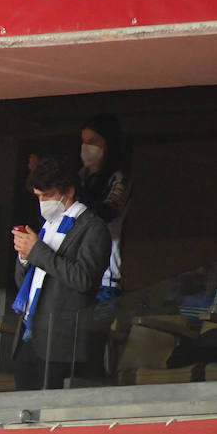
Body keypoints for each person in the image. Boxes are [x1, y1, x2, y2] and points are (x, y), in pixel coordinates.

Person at [10, 155, 111, 390]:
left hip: (60, 341)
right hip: (29, 333)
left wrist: (37, 251)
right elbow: (23, 282)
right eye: (38, 197)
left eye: (48, 195)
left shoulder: (93, 228)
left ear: (70, 191)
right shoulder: (47, 226)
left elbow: (84, 279)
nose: (43, 202)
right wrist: (25, 258)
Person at [74, 113, 131, 300]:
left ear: (108, 143)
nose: (87, 147)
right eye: (84, 141)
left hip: (105, 278)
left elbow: (106, 213)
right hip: (74, 274)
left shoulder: (119, 178)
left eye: (93, 141)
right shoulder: (78, 177)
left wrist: (76, 193)